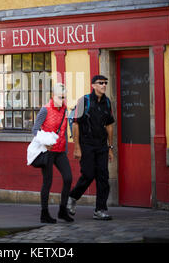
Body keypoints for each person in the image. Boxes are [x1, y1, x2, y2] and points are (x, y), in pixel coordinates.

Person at [67, 75, 115, 220]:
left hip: (101, 146)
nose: (104, 85)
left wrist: (110, 147)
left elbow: (109, 126)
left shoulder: (107, 102)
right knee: (88, 174)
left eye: (105, 83)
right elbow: (75, 124)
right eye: (101, 83)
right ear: (93, 85)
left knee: (103, 177)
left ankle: (100, 210)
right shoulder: (84, 101)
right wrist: (76, 147)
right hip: (86, 144)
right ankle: (72, 197)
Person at [32, 83, 73, 224]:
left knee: (68, 178)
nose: (62, 100)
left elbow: (64, 131)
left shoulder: (64, 109)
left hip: (60, 151)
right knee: (47, 182)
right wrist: (45, 142)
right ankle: (44, 213)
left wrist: (66, 149)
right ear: (53, 96)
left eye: (64, 97)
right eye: (60, 97)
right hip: (48, 151)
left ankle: (62, 210)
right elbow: (35, 130)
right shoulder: (45, 110)